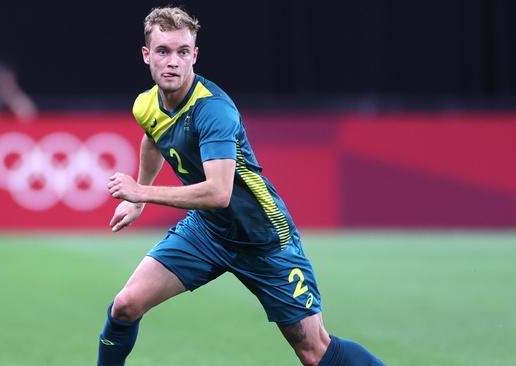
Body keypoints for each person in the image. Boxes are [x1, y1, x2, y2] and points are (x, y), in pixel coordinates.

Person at [99, 6, 385, 366]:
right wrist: (138, 199)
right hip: (207, 232)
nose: (172, 62)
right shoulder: (146, 104)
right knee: (125, 306)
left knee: (314, 351)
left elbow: (218, 193)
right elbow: (153, 138)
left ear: (195, 56)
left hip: (263, 238)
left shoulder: (213, 111)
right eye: (163, 51)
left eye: (182, 52)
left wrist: (142, 193)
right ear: (146, 55)